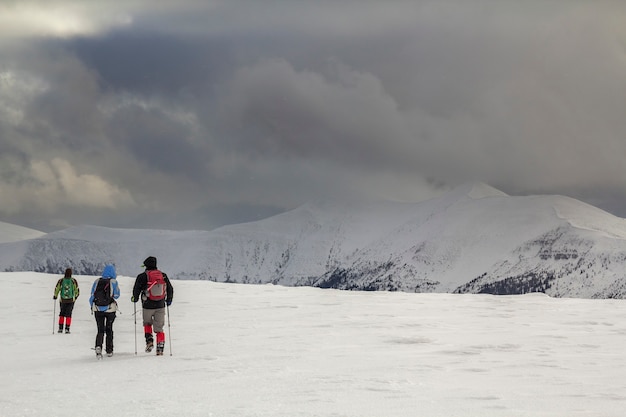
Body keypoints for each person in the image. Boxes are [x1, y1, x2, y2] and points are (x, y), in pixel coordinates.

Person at [132, 256, 174, 356]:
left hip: (147, 305)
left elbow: (136, 289)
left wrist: (135, 298)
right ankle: (160, 347)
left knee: (147, 323)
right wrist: (168, 300)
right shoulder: (163, 276)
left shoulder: (142, 276)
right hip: (160, 305)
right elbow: (170, 289)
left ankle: (149, 341)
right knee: (159, 327)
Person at [89, 264, 120, 358]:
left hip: (98, 309)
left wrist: (93, 306)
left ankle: (98, 346)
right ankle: (109, 349)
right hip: (110, 309)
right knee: (109, 329)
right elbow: (117, 295)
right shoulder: (114, 282)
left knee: (100, 329)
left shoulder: (97, 281)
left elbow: (92, 294)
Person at [53, 268, 80, 333]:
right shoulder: (73, 281)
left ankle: (60, 328)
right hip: (71, 300)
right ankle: (67, 328)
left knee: (62, 313)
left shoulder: (61, 281)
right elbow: (77, 290)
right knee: (69, 314)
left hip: (63, 300)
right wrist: (75, 297)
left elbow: (57, 288)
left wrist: (55, 296)